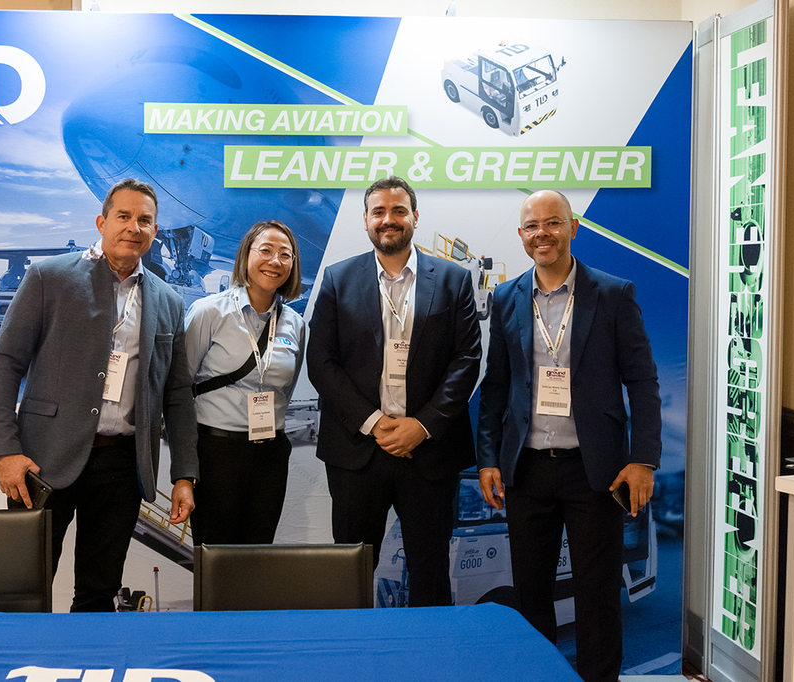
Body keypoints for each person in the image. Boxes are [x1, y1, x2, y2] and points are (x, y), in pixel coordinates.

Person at [0, 178, 198, 613]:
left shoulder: (170, 301)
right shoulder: (49, 277)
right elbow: (5, 363)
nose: (133, 227)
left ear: (155, 231)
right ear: (102, 222)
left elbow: (177, 395)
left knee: (99, 594)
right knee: (23, 588)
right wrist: (5, 449)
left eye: (144, 220)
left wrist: (184, 475)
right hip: (42, 461)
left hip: (122, 467)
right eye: (123, 216)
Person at [476, 189, 661, 682]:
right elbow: (496, 386)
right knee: (531, 594)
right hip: (527, 471)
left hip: (594, 471)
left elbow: (642, 381)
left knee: (597, 596)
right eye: (532, 226)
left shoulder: (613, 294)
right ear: (521, 235)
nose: (543, 233)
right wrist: (488, 458)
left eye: (553, 222)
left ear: (573, 227)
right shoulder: (507, 297)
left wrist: (643, 459)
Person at [306, 176, 482, 607]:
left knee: (430, 570)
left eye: (399, 210)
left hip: (429, 452)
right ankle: (356, 648)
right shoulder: (337, 279)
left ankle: (427, 649)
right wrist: (374, 422)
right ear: (365, 220)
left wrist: (421, 426)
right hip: (357, 451)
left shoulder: (454, 280)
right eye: (379, 212)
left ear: (415, 217)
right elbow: (322, 362)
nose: (389, 219)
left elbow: (466, 360)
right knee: (351, 570)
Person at [184, 220, 305, 545]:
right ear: (246, 255)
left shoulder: (295, 324)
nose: (275, 261)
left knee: (257, 556)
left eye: (285, 254)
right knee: (216, 558)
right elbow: (180, 387)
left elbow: (285, 390)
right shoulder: (208, 312)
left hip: (270, 456)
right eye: (265, 250)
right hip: (216, 453)